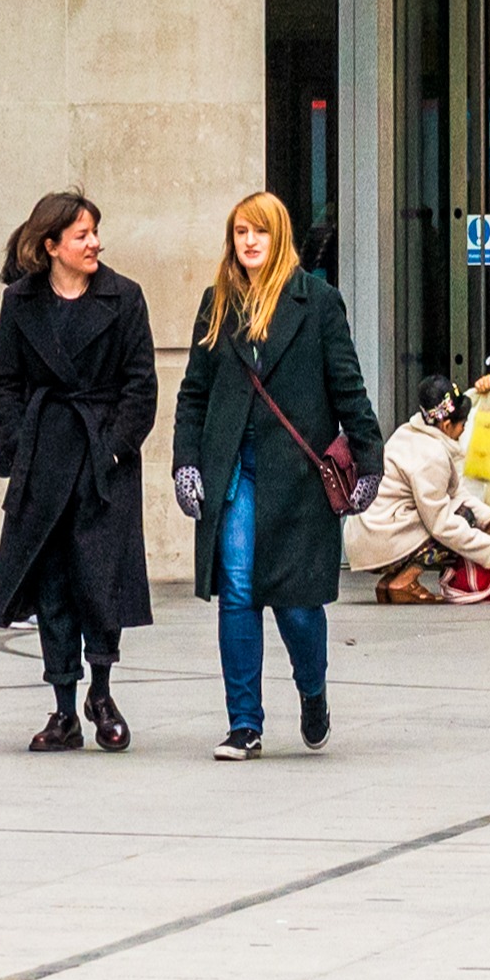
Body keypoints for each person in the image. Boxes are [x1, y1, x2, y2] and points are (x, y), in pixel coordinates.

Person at [171, 189, 380, 762]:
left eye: (260, 231)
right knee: (238, 591)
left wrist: (368, 461)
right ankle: (245, 724)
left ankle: (312, 690)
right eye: (241, 232)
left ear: (280, 236)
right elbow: (194, 393)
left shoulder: (318, 302)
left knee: (295, 604)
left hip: (296, 475)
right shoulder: (218, 302)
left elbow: (349, 389)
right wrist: (186, 462)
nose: (250, 242)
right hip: (234, 467)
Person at [0, 191, 157, 754]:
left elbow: (141, 386)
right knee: (53, 583)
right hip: (44, 457)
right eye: (82, 235)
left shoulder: (124, 297)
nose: (95, 244)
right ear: (50, 244)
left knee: (101, 579)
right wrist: (20, 440)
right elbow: (5, 383)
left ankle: (101, 693)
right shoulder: (20, 302)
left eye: (95, 233)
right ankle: (63, 707)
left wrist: (111, 449)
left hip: (103, 458)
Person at [350, 382, 490, 603]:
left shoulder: (408, 433)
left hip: (370, 536)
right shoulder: (432, 456)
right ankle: (404, 581)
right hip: (381, 539)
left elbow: (455, 494)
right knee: (462, 519)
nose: (464, 430)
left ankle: (390, 581)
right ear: (446, 425)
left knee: (458, 514)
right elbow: (441, 524)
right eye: (463, 424)